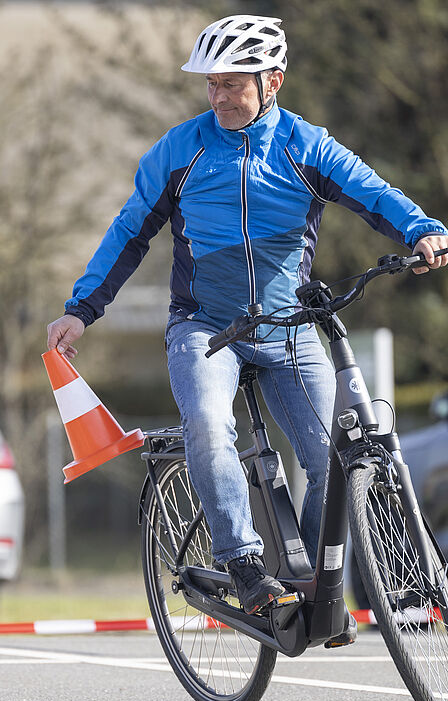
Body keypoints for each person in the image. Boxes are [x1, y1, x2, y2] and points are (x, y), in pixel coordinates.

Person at [46, 15, 448, 638]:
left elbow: (372, 193)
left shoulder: (306, 146)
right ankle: (244, 564)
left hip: (289, 328)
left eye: (233, 84)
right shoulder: (180, 149)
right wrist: (82, 308)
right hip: (205, 328)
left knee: (336, 458)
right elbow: (129, 232)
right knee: (210, 427)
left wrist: (422, 229)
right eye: (211, 84)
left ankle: (315, 582)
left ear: (272, 82)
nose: (219, 97)